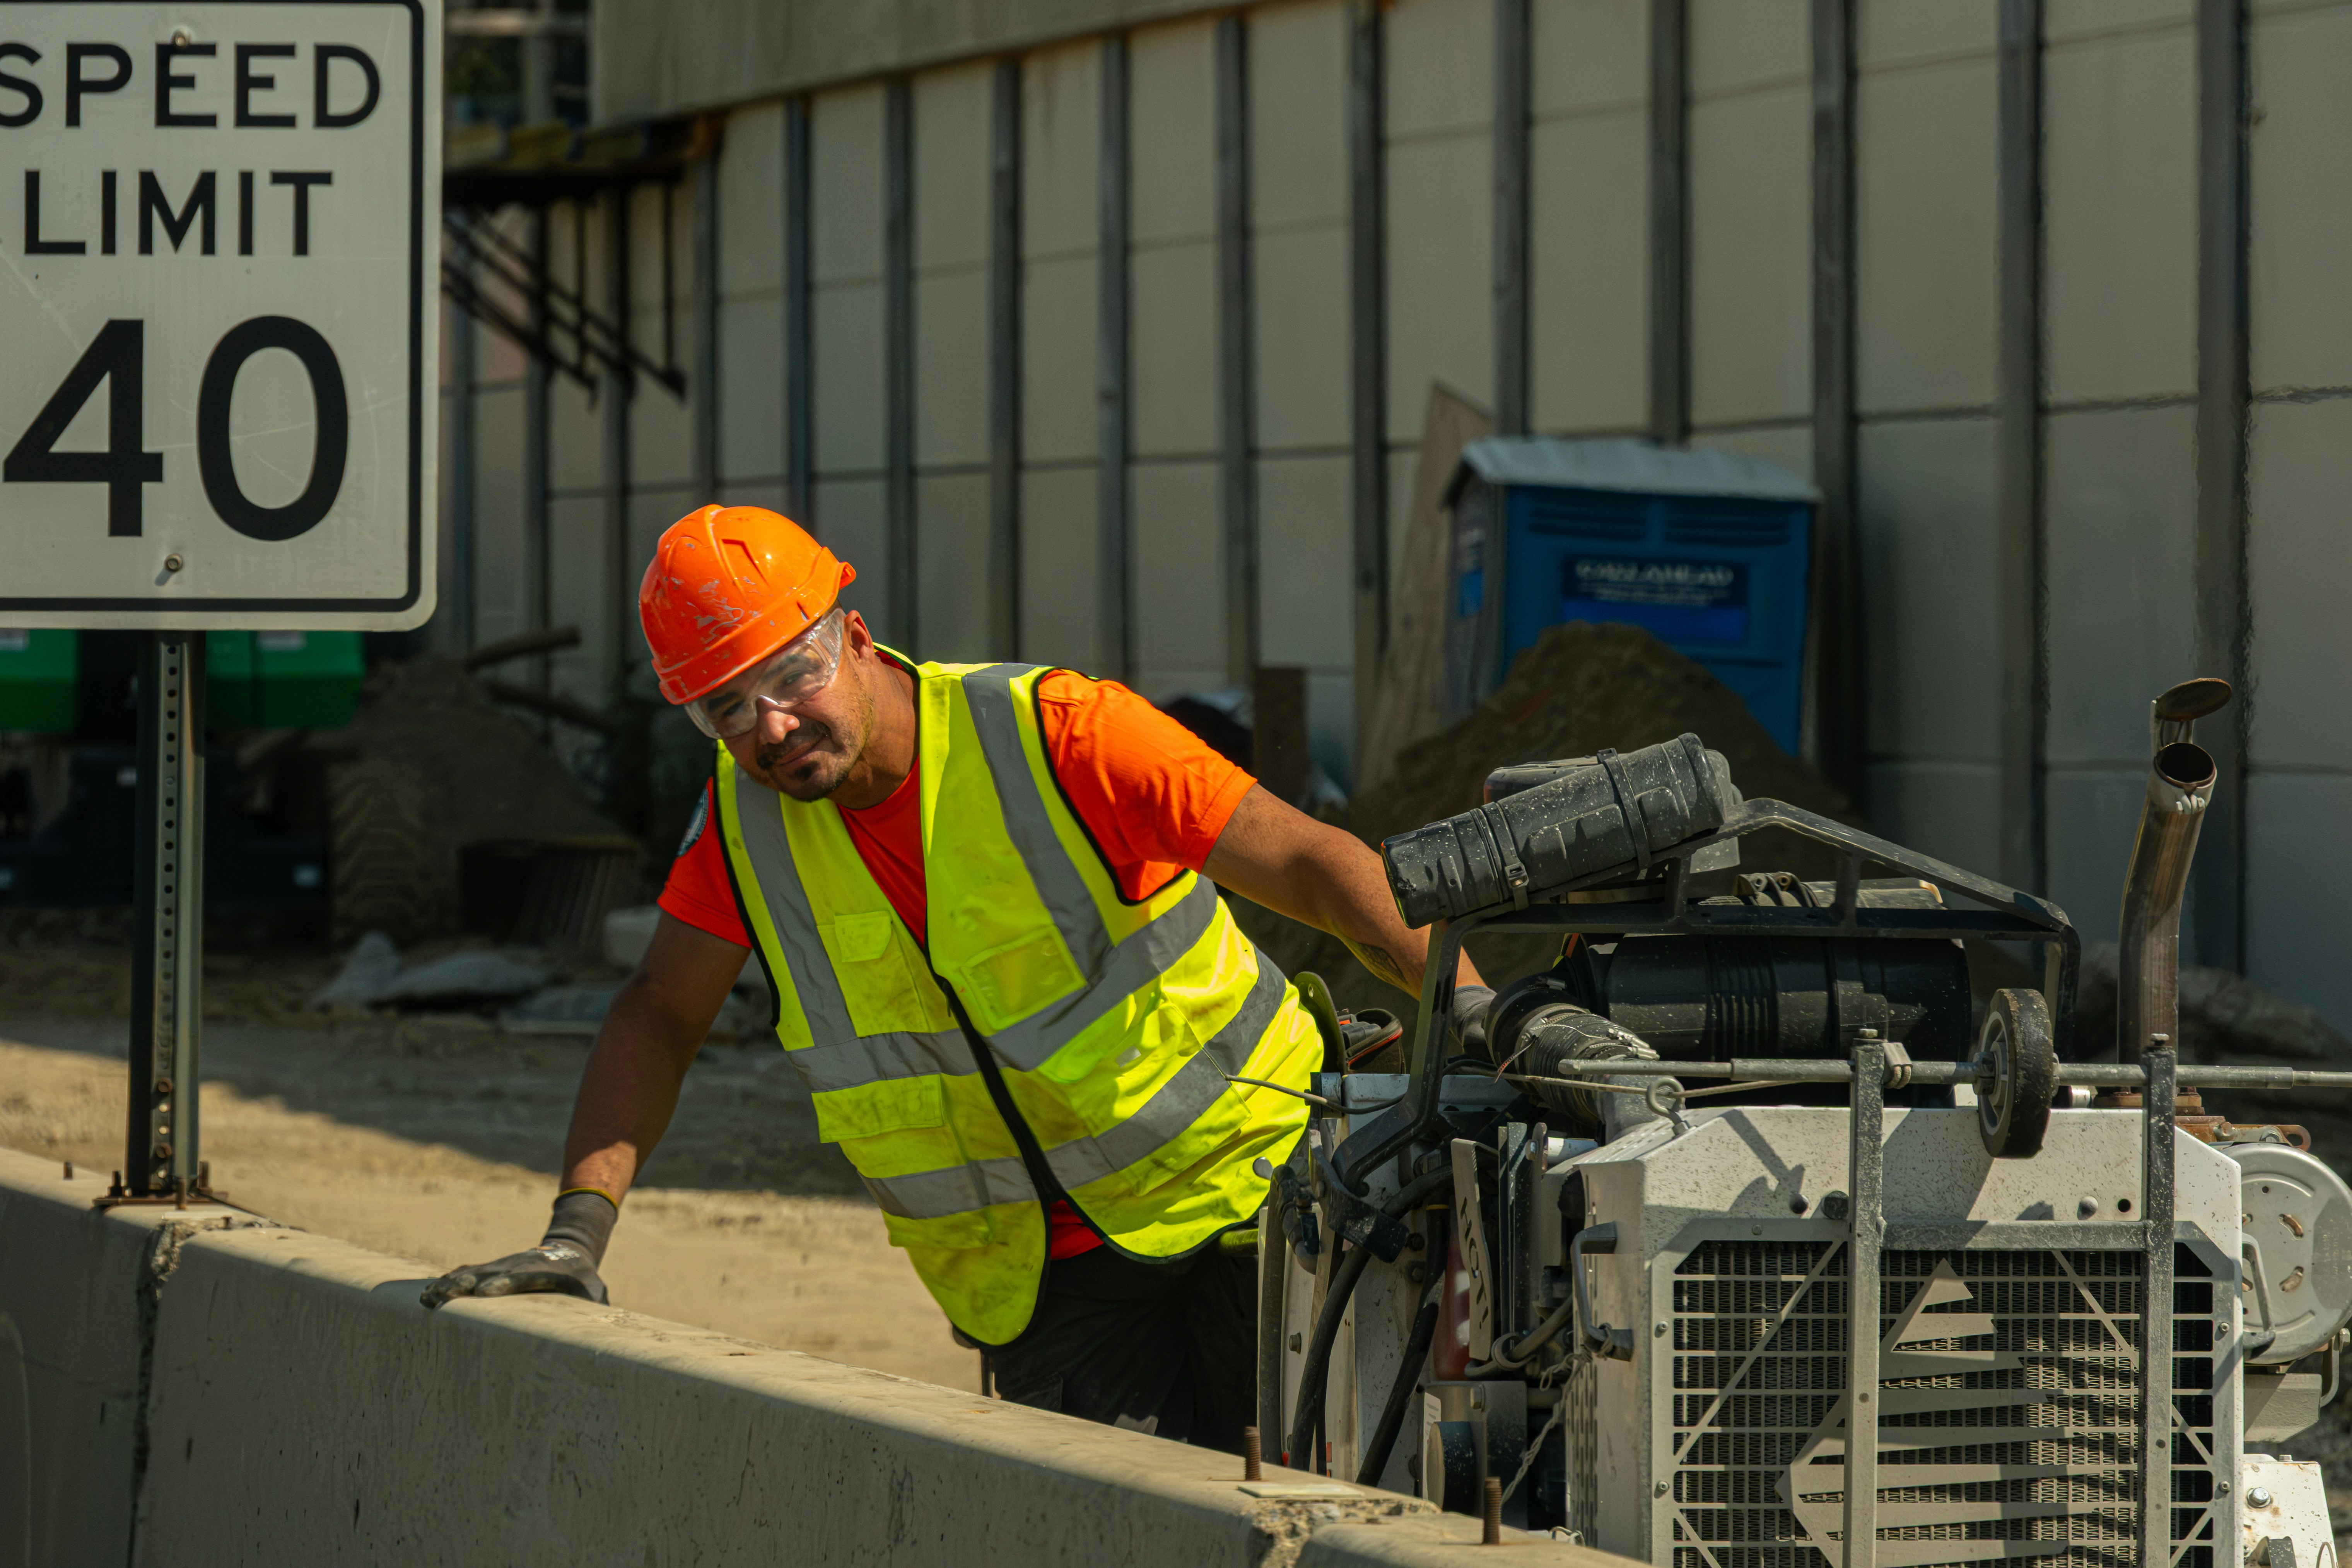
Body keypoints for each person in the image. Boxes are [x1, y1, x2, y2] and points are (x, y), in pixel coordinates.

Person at [422, 504, 1484, 1453]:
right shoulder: (744, 830)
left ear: (852, 635)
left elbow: (1312, 862)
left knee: (1318, 1516)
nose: (772, 728)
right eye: (726, 710)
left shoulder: (1054, 734)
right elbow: (659, 1009)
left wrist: (1476, 1017)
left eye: (790, 675)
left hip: (1256, 1196)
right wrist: (576, 1234)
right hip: (1042, 1276)